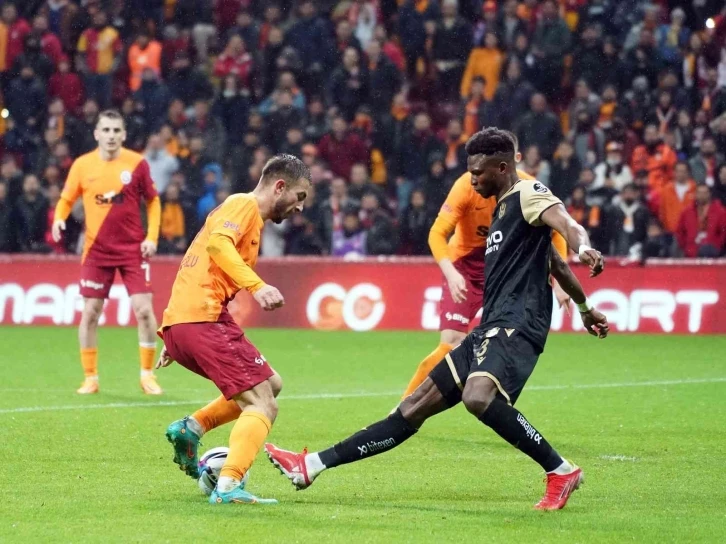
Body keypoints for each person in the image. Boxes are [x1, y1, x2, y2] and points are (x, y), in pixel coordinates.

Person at [266, 127, 607, 511]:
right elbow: (554, 263)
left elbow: (568, 226)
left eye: (478, 172)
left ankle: (559, 470)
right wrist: (584, 308)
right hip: (489, 327)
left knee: (478, 396)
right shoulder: (500, 212)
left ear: (502, 167)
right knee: (411, 408)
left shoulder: (528, 193)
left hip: (517, 323)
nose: (472, 180)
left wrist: (585, 247)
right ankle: (311, 465)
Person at [155, 154, 311, 505]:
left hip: (188, 322)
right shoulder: (244, 205)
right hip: (202, 319)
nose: (300, 207)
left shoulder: (246, 216)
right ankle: (228, 486)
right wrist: (257, 286)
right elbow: (217, 245)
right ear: (279, 186)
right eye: (299, 196)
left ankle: (192, 428)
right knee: (263, 404)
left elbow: (197, 262)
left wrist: (176, 330)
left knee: (272, 383)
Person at [399, 131, 570, 399]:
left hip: (504, 270)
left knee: (504, 342)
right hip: (465, 268)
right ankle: (404, 408)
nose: (476, 176)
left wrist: (559, 282)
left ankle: (492, 399)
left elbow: (557, 232)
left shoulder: (530, 189)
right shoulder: (466, 186)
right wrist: (451, 273)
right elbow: (437, 233)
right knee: (451, 343)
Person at [51, 110, 162, 395]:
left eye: (116, 130)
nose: (111, 135)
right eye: (106, 130)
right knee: (90, 312)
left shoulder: (136, 163)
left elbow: (153, 202)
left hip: (133, 249)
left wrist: (151, 237)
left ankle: (147, 375)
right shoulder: (82, 165)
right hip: (96, 251)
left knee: (144, 311)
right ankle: (90, 378)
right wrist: (59, 218)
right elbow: (66, 198)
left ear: (123, 135)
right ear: (96, 134)